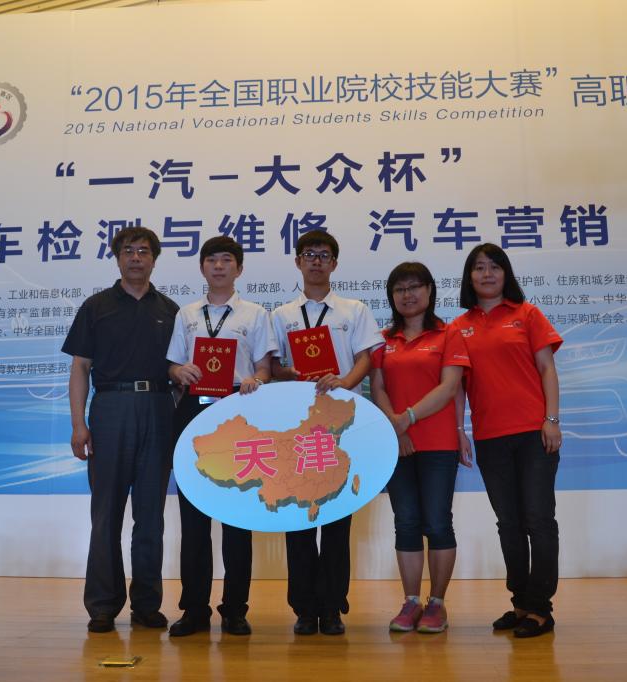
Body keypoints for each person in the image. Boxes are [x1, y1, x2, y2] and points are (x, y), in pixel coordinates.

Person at [62, 226, 178, 633]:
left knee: (150, 515)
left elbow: (179, 369)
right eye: (128, 250)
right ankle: (102, 605)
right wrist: (79, 424)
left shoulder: (170, 310)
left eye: (144, 251)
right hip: (110, 408)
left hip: (158, 409)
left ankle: (146, 604)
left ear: (154, 259)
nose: (136, 257)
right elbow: (80, 367)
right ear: (117, 257)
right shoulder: (96, 307)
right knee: (106, 512)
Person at [270, 230, 383, 635]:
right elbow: (273, 367)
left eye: (323, 255)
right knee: (299, 517)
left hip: (342, 422)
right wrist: (291, 374)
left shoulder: (353, 310)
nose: (316, 261)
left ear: (334, 263)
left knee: (336, 519)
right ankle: (304, 608)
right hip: (297, 425)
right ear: (298, 262)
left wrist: (344, 382)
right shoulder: (281, 315)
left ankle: (332, 606)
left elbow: (366, 359)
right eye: (309, 254)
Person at [165, 236, 277, 637]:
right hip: (193, 414)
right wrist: (179, 372)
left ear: (239, 268)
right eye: (211, 260)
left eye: (226, 260)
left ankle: (234, 610)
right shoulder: (186, 314)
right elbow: (172, 365)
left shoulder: (255, 314)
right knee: (194, 521)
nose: (218, 266)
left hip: (238, 412)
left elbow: (265, 367)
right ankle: (194, 609)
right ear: (202, 267)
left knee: (237, 520)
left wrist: (256, 379)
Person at [450, 243, 563, 638]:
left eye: (495, 267)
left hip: (534, 434)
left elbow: (547, 369)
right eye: (479, 267)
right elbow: (457, 386)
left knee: (539, 520)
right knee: (509, 524)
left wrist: (551, 419)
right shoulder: (458, 327)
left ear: (506, 273)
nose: (487, 274)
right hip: (490, 438)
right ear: (469, 277)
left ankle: (541, 608)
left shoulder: (527, 314)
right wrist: (459, 431)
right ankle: (520, 603)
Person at [369, 262, 471, 634]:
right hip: (396, 444)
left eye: (414, 287)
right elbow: (377, 387)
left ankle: (437, 604)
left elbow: (449, 387)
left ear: (429, 290)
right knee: (407, 522)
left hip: (438, 443)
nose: (407, 295)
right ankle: (411, 602)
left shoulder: (448, 334)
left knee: (438, 522)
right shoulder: (382, 339)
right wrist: (396, 428)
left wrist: (407, 418)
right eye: (399, 289)